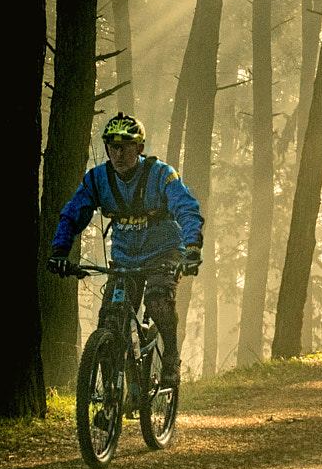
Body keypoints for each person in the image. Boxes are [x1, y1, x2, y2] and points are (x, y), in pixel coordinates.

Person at [47, 112, 204, 387]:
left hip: (164, 252)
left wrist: (192, 247)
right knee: (109, 320)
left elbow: (187, 208)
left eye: (125, 146)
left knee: (157, 302)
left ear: (139, 148)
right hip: (124, 258)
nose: (118, 154)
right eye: (112, 147)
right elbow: (72, 214)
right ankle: (109, 400)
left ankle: (170, 357)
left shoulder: (161, 175)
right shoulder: (97, 179)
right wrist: (60, 250)